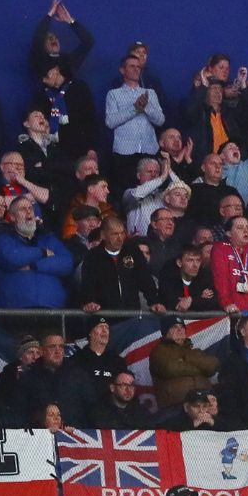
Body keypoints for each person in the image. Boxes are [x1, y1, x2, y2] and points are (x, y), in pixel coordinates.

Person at [0, 195, 73, 309]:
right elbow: (14, 257)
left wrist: (34, 265)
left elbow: (67, 263)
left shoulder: (49, 238)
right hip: (16, 311)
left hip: (52, 310)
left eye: (30, 208)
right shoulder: (3, 240)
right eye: (22, 209)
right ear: (12, 217)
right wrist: (42, 252)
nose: (28, 212)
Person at [105, 55, 166, 195]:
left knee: (153, 193)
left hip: (149, 151)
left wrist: (146, 108)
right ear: (122, 70)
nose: (136, 69)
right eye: (132, 66)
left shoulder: (150, 93)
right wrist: (135, 108)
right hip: (124, 154)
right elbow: (110, 122)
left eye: (138, 67)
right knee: (127, 194)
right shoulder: (114, 94)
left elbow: (160, 120)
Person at [79, 216, 163, 312]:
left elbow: (145, 279)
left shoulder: (133, 251)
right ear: (103, 235)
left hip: (131, 315)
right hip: (105, 316)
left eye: (122, 233)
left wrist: (154, 302)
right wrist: (89, 301)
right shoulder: (93, 256)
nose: (119, 238)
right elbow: (88, 284)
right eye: (114, 234)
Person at [149, 315, 219, 411]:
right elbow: (170, 369)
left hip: (205, 403)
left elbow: (213, 366)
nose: (180, 330)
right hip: (177, 407)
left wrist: (185, 358)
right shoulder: (158, 351)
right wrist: (200, 368)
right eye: (174, 327)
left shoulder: (195, 351)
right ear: (166, 332)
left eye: (182, 327)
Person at [89, 370, 153, 429]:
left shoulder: (142, 412)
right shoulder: (99, 412)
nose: (128, 390)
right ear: (112, 388)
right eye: (123, 385)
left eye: (132, 385)